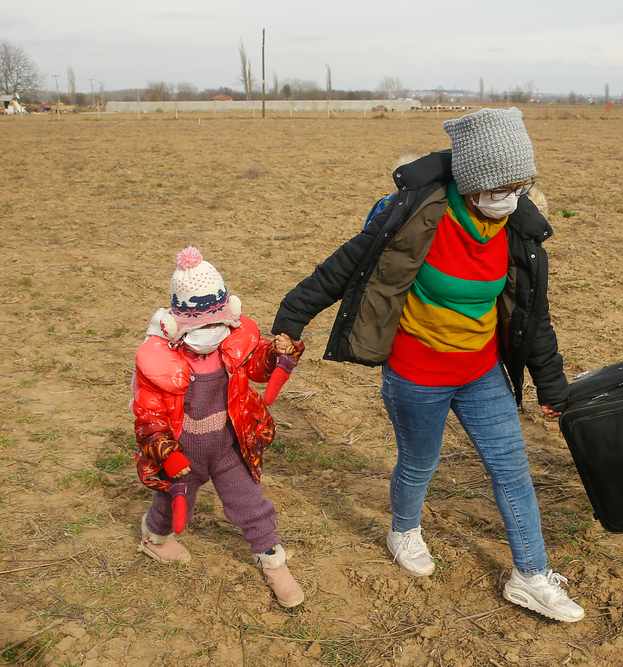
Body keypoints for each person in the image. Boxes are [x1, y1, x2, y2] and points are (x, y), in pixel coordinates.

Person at [272, 107, 584, 623]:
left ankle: (530, 576)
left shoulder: (518, 231)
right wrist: (291, 320)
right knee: (420, 462)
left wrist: (551, 386)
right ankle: (403, 529)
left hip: (482, 372)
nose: (512, 196)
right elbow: (340, 269)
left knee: (512, 471)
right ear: (475, 182)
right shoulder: (417, 218)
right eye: (503, 185)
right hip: (416, 373)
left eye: (521, 184)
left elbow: (534, 317)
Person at [132, 247, 306, 608]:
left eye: (218, 322)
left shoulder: (233, 345)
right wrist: (165, 450)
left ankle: (273, 561)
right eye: (202, 326)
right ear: (180, 325)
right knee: (172, 502)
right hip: (182, 453)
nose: (212, 331)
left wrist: (275, 353)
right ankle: (156, 538)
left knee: (250, 503)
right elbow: (149, 415)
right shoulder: (161, 363)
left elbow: (258, 367)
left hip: (228, 445)